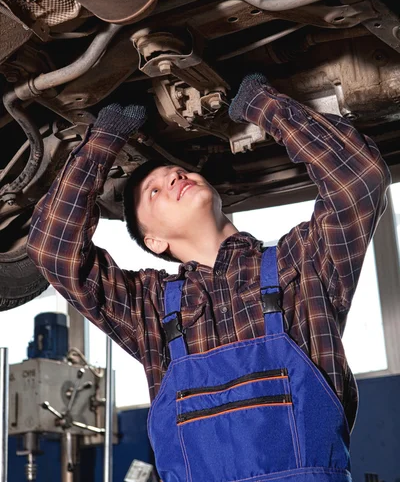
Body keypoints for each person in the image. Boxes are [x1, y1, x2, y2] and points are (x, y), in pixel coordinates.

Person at [27, 73, 390, 482]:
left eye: (177, 172)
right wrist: (102, 141)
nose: (173, 177)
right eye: (154, 191)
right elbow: (52, 249)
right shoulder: (149, 309)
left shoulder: (300, 266)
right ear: (154, 241)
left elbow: (359, 180)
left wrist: (263, 104)